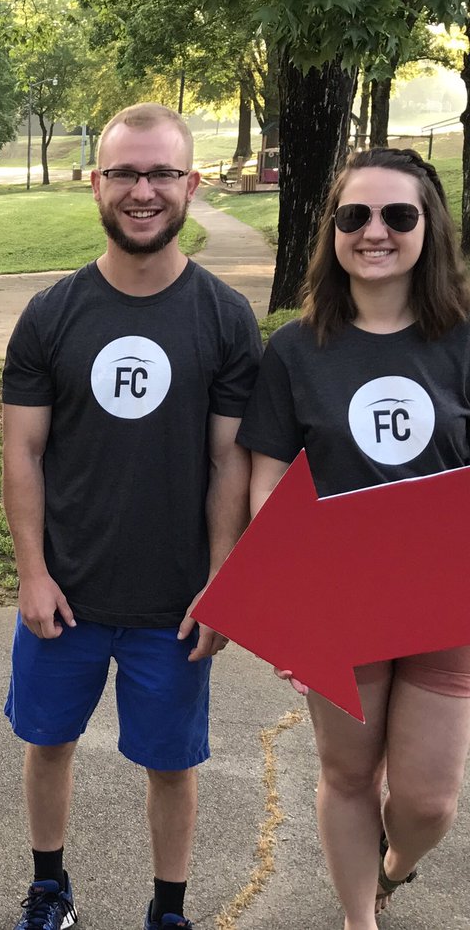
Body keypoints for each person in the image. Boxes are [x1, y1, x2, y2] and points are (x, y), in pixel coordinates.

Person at [1, 102, 261, 930]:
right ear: (96, 184)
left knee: (171, 764)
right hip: (67, 592)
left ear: (191, 183)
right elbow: (22, 453)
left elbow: (229, 462)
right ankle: (49, 888)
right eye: (124, 173)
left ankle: (168, 910)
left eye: (160, 174)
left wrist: (221, 582)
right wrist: (32, 573)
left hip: (174, 601)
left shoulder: (225, 318)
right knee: (48, 745)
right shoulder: (51, 315)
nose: (142, 191)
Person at [237, 147, 470, 930]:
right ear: (332, 231)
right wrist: (285, 605)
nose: (375, 231)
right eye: (354, 215)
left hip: (446, 596)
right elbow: (269, 484)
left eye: (398, 215)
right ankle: (357, 918)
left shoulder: (464, 340)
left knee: (429, 802)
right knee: (347, 776)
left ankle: (392, 868)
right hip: (340, 599)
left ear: (429, 227)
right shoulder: (295, 350)